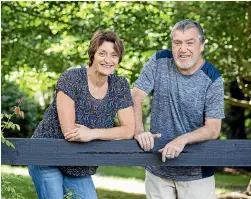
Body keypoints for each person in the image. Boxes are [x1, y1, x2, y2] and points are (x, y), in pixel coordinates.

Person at [28, 30, 135, 199]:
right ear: (92, 54)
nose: (108, 60)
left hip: (79, 164)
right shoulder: (71, 78)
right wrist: (107, 134)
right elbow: (70, 132)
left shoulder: (119, 85)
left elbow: (128, 129)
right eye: (102, 53)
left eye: (114, 55)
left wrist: (92, 133)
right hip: (48, 156)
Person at [132, 19, 224, 199]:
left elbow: (213, 129)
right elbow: (136, 95)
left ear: (202, 45)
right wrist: (139, 131)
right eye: (177, 43)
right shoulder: (159, 60)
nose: (183, 49)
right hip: (157, 170)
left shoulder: (213, 78)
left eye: (190, 43)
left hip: (196, 174)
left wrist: (181, 140)